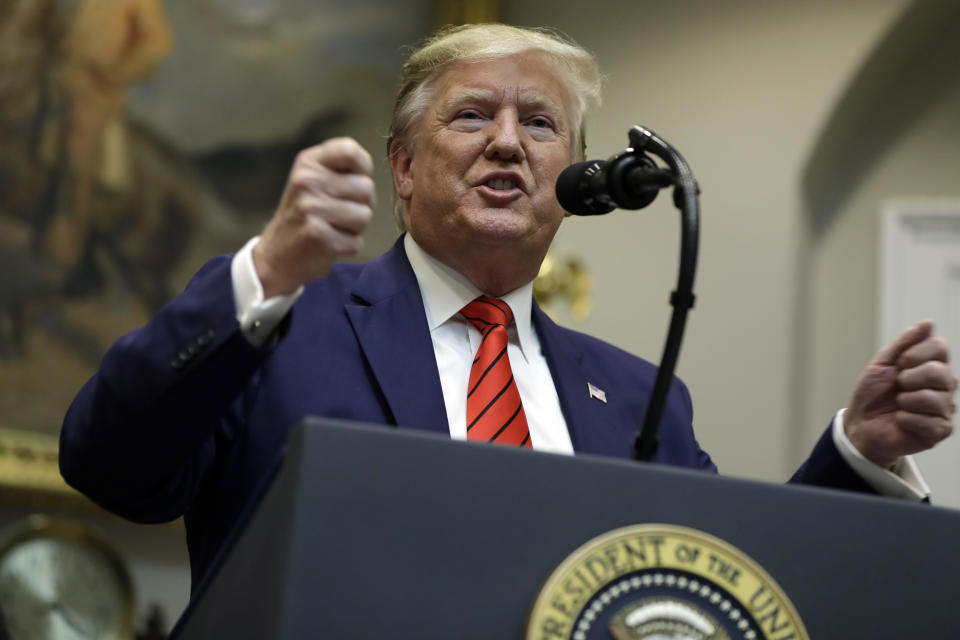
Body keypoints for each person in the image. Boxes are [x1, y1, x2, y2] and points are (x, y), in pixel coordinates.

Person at [59, 24, 956, 592]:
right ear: (404, 168)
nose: (505, 143)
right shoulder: (283, 323)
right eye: (471, 116)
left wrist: (859, 456)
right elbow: (108, 464)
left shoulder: (640, 399)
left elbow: (712, 583)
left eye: (538, 124)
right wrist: (267, 270)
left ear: (573, 180)